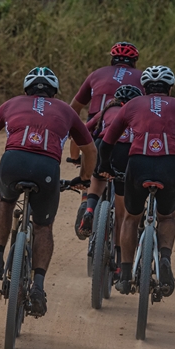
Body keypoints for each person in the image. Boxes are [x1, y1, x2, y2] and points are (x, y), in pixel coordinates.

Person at [0, 67, 97, 317]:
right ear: (54, 92)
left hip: (13, 162)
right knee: (42, 226)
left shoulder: (11, 103)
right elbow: (90, 150)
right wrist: (84, 179)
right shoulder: (66, 110)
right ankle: (38, 286)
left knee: (5, 202)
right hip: (46, 167)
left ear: (27, 90)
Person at [97, 65, 175, 296]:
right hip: (169, 164)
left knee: (131, 218)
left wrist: (105, 167)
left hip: (138, 163)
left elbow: (107, 142)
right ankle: (165, 258)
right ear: (170, 88)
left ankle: (125, 275)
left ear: (144, 88)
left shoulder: (132, 105)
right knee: (167, 217)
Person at [69, 42, 143, 239]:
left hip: (99, 124)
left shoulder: (96, 74)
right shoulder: (141, 77)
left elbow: (74, 107)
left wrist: (72, 140)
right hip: (127, 132)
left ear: (112, 59)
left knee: (92, 166)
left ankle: (87, 202)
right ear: (134, 61)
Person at [75, 84, 143, 278]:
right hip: (125, 153)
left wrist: (78, 157)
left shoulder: (107, 110)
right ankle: (120, 261)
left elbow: (84, 130)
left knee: (98, 177)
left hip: (102, 147)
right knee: (122, 216)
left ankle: (89, 209)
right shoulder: (139, 113)